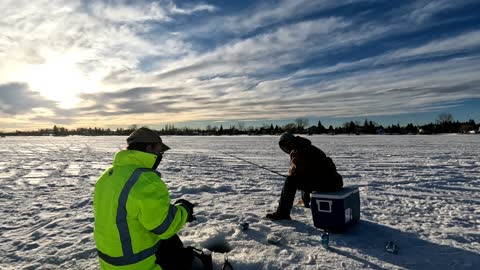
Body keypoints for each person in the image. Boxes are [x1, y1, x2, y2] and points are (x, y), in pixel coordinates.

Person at [93, 127, 208, 270]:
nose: (161, 156)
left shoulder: (106, 176)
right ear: (148, 148)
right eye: (159, 151)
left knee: (170, 240)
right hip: (138, 264)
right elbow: (165, 227)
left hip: (110, 263)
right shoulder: (145, 180)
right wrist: (185, 210)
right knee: (171, 241)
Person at [266, 132, 343, 221]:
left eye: (284, 146)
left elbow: (299, 174)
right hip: (334, 181)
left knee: (290, 181)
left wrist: (292, 177)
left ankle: (283, 213)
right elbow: (307, 173)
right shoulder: (304, 146)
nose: (285, 149)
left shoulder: (298, 151)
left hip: (328, 184)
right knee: (300, 178)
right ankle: (305, 201)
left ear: (288, 142)